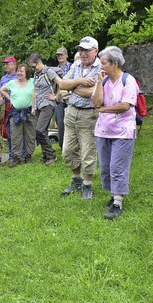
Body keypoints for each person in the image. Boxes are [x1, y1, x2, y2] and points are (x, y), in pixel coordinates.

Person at [91, 46, 139, 220]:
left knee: (117, 167)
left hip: (123, 131)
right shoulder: (104, 81)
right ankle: (112, 196)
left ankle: (118, 203)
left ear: (115, 63)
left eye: (104, 63)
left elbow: (126, 105)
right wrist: (97, 82)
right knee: (105, 167)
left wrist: (105, 108)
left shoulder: (128, 81)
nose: (101, 67)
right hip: (103, 130)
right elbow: (96, 103)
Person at [59, 36, 102, 200]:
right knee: (67, 151)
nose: (83, 53)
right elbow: (62, 84)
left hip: (89, 114)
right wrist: (80, 81)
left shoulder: (100, 68)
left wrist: (73, 87)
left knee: (88, 153)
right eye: (81, 50)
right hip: (71, 113)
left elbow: (93, 93)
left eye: (87, 50)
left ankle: (87, 185)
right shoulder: (76, 65)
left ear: (95, 51)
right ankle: (77, 179)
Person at [0, 64, 36, 167]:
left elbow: (35, 93)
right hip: (15, 112)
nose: (19, 73)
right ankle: (16, 157)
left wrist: (34, 107)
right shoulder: (12, 83)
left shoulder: (32, 81)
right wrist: (10, 99)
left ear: (26, 73)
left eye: (21, 71)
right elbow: (2, 90)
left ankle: (28, 155)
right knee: (15, 135)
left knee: (30, 135)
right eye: (18, 71)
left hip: (29, 111)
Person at [28, 53, 58, 165]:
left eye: (34, 66)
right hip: (38, 106)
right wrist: (33, 106)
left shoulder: (49, 71)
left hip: (48, 105)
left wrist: (55, 96)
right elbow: (34, 90)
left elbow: (61, 83)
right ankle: (46, 156)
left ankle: (51, 155)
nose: (33, 68)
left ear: (39, 62)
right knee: (40, 132)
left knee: (39, 130)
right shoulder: (36, 74)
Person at [0, 56, 19, 161]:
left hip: (16, 106)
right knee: (7, 130)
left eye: (8, 63)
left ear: (14, 65)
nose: (5, 66)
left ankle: (18, 154)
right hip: (6, 106)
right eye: (4, 64)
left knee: (16, 130)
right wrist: (0, 98)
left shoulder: (18, 76)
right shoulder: (3, 78)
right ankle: (11, 155)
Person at [54, 47, 72, 148]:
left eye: (61, 54)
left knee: (70, 123)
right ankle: (62, 146)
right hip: (59, 99)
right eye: (58, 55)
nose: (60, 57)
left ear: (66, 55)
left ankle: (71, 146)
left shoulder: (73, 67)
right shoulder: (54, 70)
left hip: (71, 98)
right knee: (60, 122)